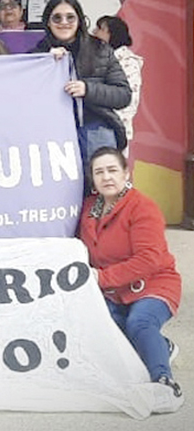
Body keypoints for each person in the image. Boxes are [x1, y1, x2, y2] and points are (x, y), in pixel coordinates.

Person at [77, 147, 183, 411]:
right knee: (103, 325)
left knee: (140, 322)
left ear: (126, 173)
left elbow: (149, 259)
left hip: (154, 283)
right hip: (112, 290)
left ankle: (164, 383)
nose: (106, 177)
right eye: (99, 172)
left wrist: (102, 277)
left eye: (112, 170)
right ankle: (162, 346)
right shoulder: (89, 207)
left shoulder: (142, 207)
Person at [33, 0, 131, 168]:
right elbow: (24, 97)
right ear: (48, 22)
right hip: (50, 132)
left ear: (79, 20)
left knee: (101, 179)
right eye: (57, 18)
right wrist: (45, 63)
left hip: (95, 126)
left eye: (70, 17)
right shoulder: (37, 55)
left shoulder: (100, 49)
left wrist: (88, 89)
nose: (64, 22)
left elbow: (123, 95)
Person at [95, 15, 143, 146]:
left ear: (113, 34)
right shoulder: (97, 57)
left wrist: (109, 121)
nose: (94, 32)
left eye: (100, 29)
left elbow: (130, 101)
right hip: (94, 128)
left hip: (115, 130)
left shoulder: (128, 62)